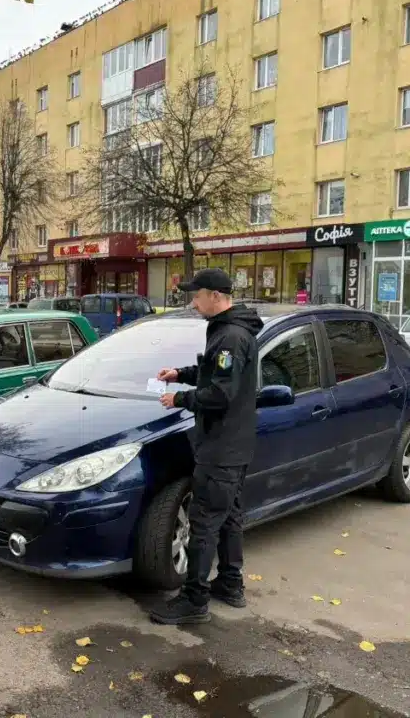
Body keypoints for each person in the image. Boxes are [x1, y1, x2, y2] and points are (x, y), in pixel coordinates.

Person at [152, 267, 263, 625]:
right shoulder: (231, 330)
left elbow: (219, 393)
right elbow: (215, 372)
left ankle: (194, 598)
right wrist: (182, 374)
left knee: (204, 522)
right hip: (234, 444)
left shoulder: (230, 336)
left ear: (216, 296)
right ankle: (230, 584)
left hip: (221, 446)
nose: (193, 301)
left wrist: (179, 398)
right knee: (229, 516)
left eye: (197, 295)